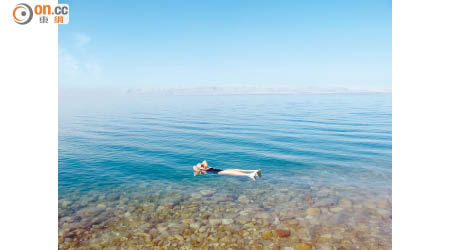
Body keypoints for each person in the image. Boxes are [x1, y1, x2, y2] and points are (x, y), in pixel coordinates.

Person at [193, 160, 262, 181]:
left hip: (219, 170)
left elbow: (204, 161)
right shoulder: (203, 170)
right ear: (200, 168)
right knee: (231, 172)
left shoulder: (205, 166)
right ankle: (249, 175)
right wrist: (199, 169)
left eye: (201, 165)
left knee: (235, 170)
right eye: (201, 166)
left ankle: (254, 171)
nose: (202, 165)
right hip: (216, 172)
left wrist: (201, 166)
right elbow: (195, 171)